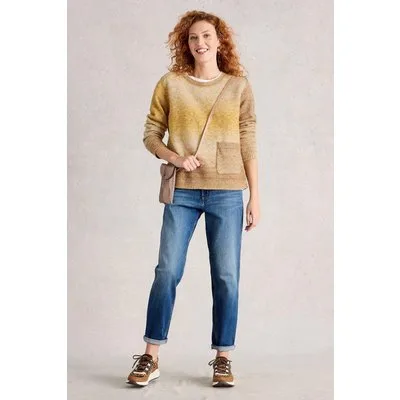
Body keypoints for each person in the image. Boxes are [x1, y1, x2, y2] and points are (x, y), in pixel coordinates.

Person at [126, 10, 260, 388]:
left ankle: (223, 358)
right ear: (185, 44)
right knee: (167, 270)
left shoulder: (237, 87)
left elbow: (249, 141)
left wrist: (255, 196)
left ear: (219, 41)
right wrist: (174, 157)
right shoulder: (171, 84)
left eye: (206, 36)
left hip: (228, 192)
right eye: (192, 38)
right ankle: (150, 357)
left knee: (226, 275)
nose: (200, 43)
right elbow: (151, 133)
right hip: (183, 191)